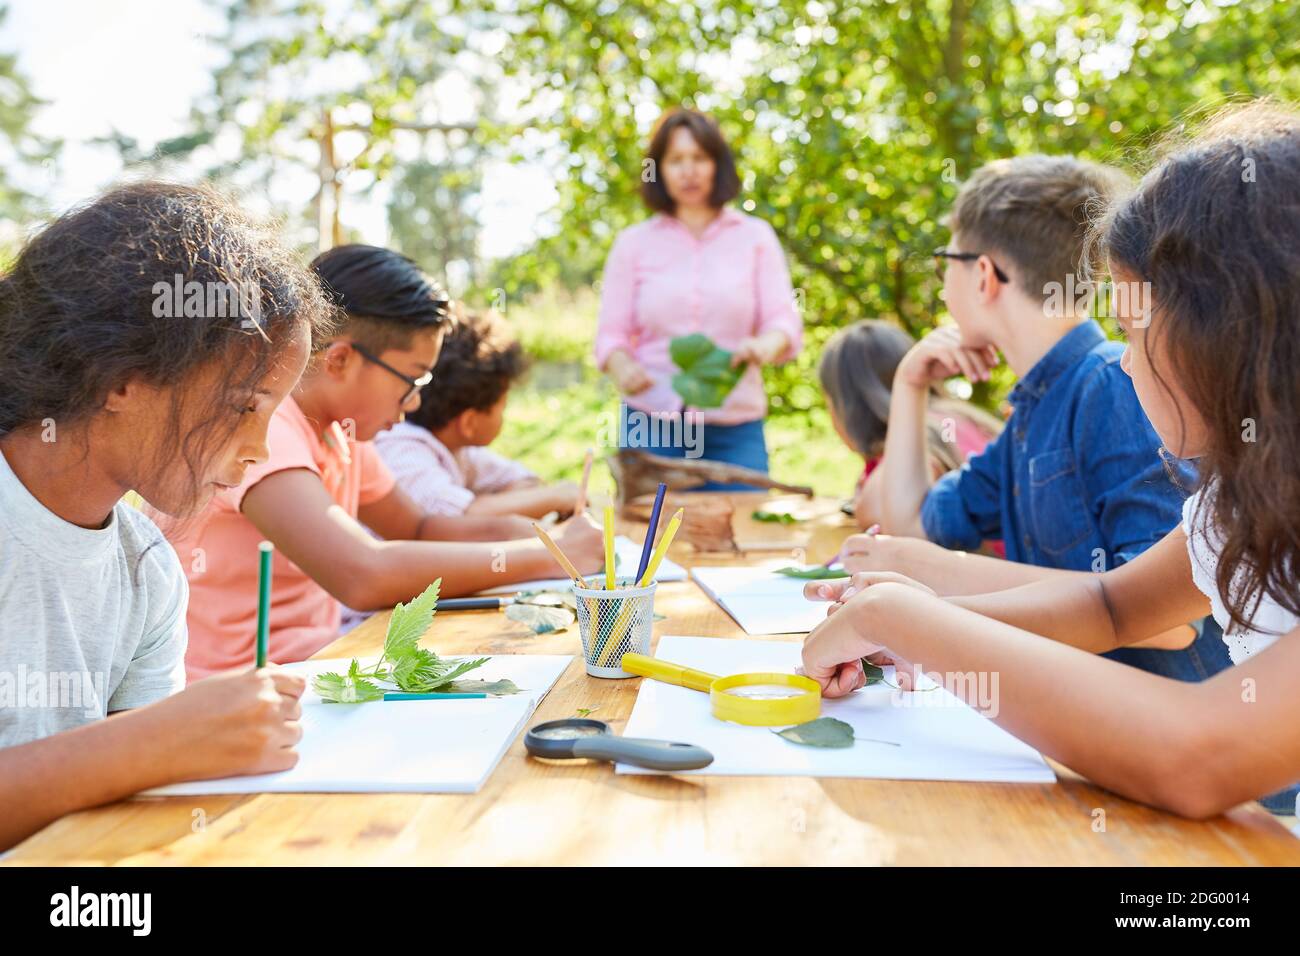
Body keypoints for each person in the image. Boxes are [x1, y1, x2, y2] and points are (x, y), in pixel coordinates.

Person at [802, 103, 1300, 817]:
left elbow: (1199, 754)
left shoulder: (1101, 390)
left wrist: (903, 619)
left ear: (1224, 338)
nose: (1125, 363)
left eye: (1133, 331)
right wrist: (923, 626)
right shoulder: (1234, 502)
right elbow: (1108, 603)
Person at [0, 182, 330, 849]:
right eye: (245, 406)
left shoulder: (147, 569)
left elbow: (134, 809)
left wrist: (179, 747)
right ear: (119, 377)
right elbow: (133, 760)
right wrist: (148, 745)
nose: (260, 449)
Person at [840, 154, 1228, 677]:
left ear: (982, 275)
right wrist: (911, 385)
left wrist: (940, 570)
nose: (940, 284)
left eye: (943, 262)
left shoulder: (1112, 383)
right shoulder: (1031, 412)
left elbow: (1170, 623)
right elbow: (914, 525)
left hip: (1153, 729)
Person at [164, 244, 603, 680]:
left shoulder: (343, 432)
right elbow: (361, 573)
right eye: (411, 379)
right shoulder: (264, 426)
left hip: (318, 669)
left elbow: (420, 528)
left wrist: (546, 539)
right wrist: (554, 557)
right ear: (340, 359)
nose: (413, 403)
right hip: (233, 697)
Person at [594, 108, 803, 488]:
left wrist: (764, 346)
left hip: (734, 426)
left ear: (717, 165)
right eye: (676, 161)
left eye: (699, 159)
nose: (688, 171)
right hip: (652, 424)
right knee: (648, 541)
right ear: (658, 170)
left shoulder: (755, 237)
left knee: (742, 534)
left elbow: (783, 321)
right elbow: (611, 334)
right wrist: (621, 365)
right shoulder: (633, 243)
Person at [374, 305, 579, 519]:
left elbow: (522, 480)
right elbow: (456, 517)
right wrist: (555, 498)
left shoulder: (460, 451)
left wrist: (510, 502)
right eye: (502, 406)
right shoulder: (401, 451)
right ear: (469, 422)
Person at [817, 318, 1001, 532]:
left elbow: (878, 515)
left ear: (849, 407)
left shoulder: (927, 431)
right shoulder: (956, 414)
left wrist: (862, 500)